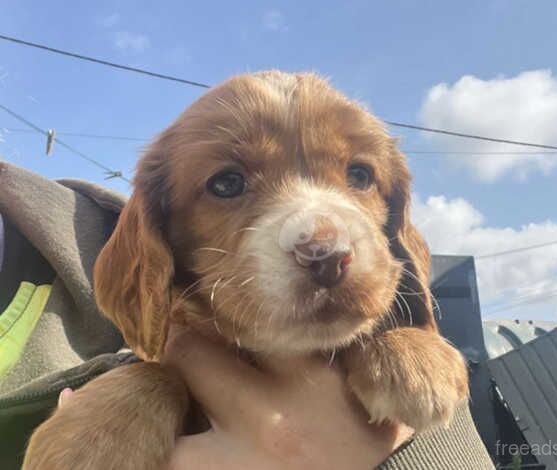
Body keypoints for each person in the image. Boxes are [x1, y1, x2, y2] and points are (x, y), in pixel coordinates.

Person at [0, 162, 494, 469]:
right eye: (229, 182)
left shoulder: (83, 229)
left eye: (359, 175)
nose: (325, 239)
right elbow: (161, 351)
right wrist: (148, 385)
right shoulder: (139, 255)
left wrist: (423, 454)